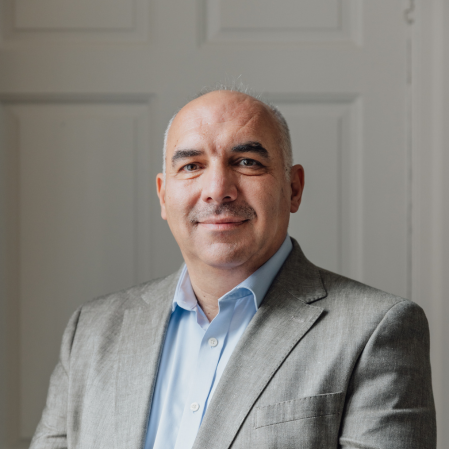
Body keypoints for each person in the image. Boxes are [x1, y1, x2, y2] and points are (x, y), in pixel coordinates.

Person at [30, 88, 436, 449]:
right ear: (163, 196)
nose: (217, 189)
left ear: (293, 188)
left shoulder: (377, 330)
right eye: (191, 166)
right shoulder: (91, 331)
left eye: (246, 162)